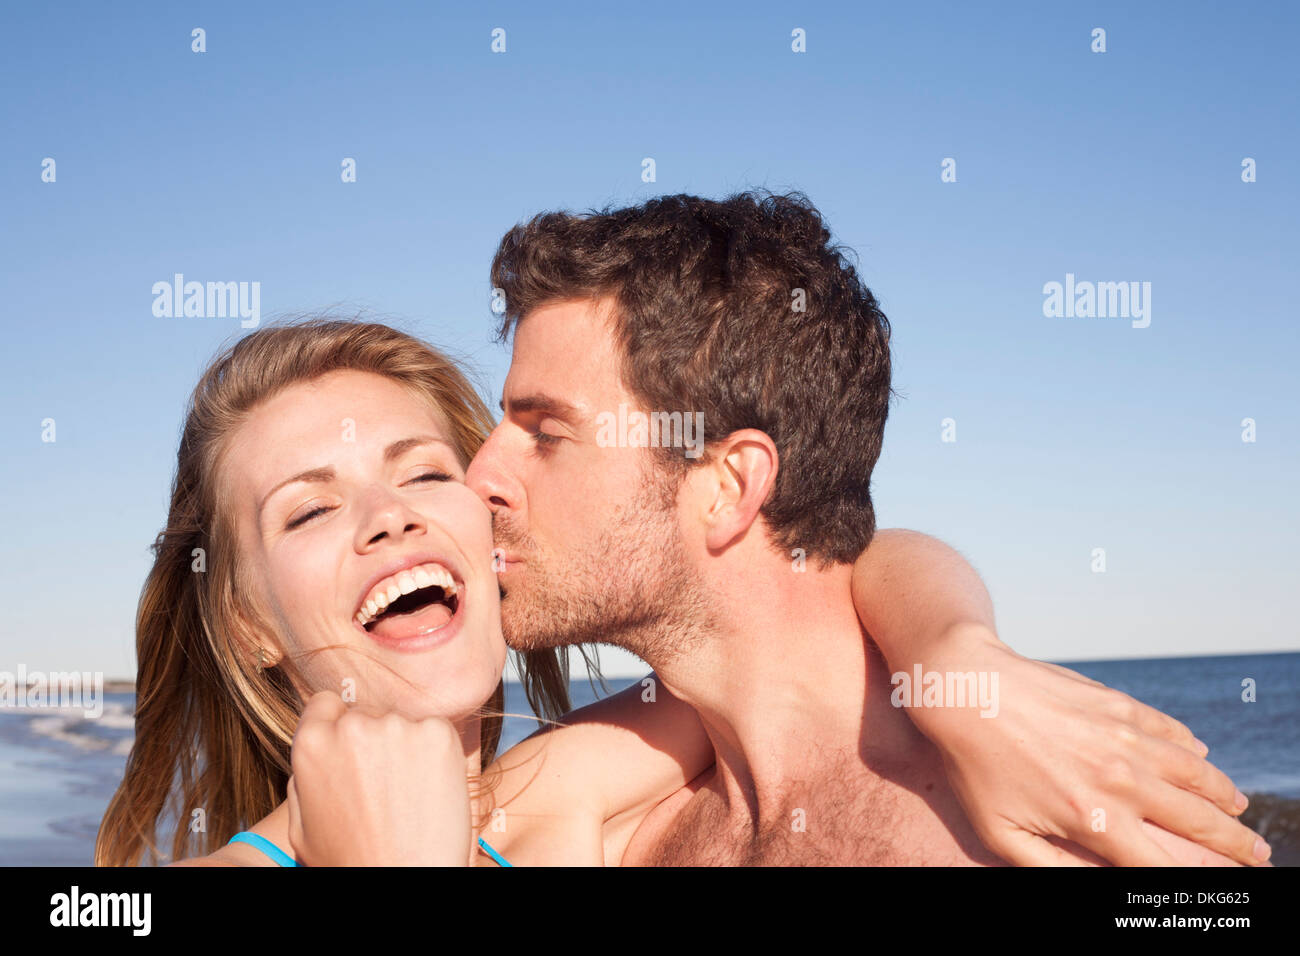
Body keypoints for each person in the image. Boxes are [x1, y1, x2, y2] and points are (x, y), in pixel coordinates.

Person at [287, 192, 1269, 866]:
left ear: (727, 483)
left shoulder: (1058, 809)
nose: (480, 475)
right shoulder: (622, 824)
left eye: (543, 431)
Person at [97, 318, 1261, 868]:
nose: (389, 515)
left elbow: (828, 571)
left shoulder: (567, 788)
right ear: (246, 622)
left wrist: (967, 670)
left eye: (425, 471)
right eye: (307, 508)